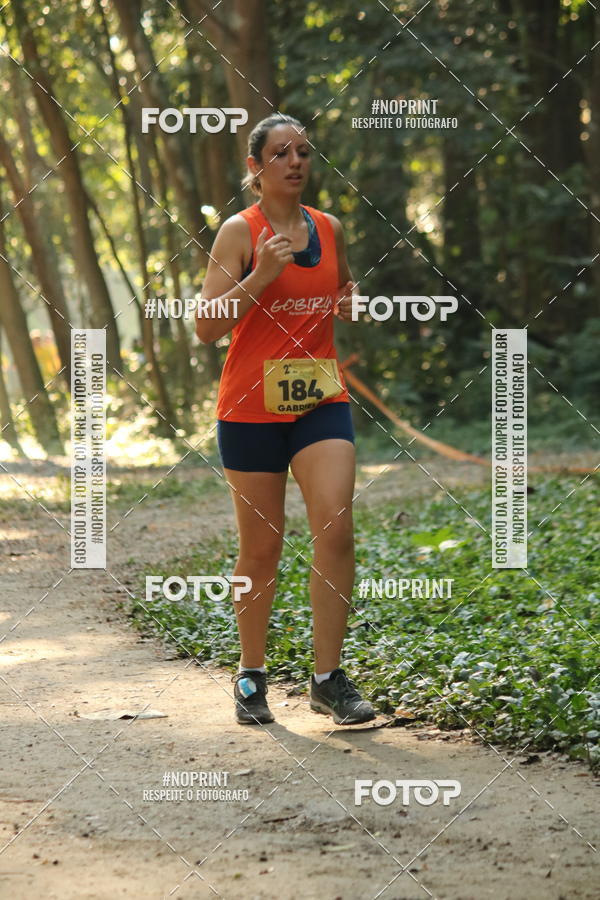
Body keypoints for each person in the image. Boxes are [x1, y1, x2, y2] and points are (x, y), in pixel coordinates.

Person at [196, 113, 375, 727]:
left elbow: (343, 289)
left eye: (302, 151)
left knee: (337, 527)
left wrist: (351, 304)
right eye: (280, 153)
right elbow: (206, 325)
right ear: (256, 168)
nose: (295, 161)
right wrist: (262, 277)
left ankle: (328, 679)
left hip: (320, 400)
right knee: (262, 549)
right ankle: (251, 674)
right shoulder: (237, 233)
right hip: (251, 407)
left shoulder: (330, 227)